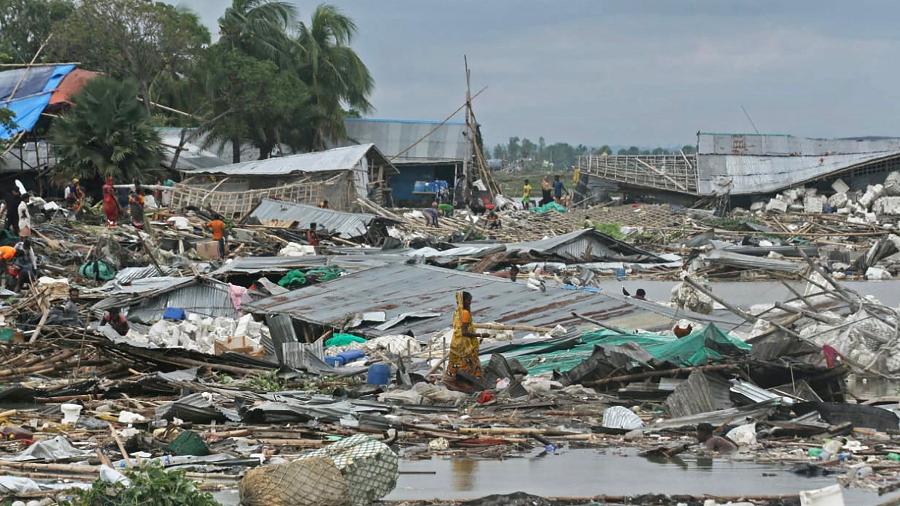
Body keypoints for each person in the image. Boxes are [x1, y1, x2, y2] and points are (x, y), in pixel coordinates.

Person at [443, 291, 488, 392]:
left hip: (456, 342)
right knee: (471, 364)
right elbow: (464, 332)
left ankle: (453, 382)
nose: (469, 303)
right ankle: (470, 385)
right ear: (463, 301)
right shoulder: (465, 313)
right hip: (464, 344)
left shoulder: (456, 312)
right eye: (468, 300)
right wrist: (480, 335)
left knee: (455, 363)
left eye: (470, 301)